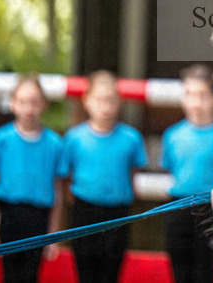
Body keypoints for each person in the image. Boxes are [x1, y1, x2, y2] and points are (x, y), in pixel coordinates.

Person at [61, 70, 147, 283]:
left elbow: (133, 172)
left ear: (119, 102)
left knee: (111, 272)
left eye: (110, 100)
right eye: (99, 100)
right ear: (86, 101)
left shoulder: (131, 138)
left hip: (118, 212)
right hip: (84, 210)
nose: (105, 106)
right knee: (85, 271)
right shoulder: (74, 138)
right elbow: (65, 176)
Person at [0, 75, 67, 283]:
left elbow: (58, 192)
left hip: (39, 218)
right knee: (9, 275)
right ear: (12, 104)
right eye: (22, 101)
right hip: (8, 216)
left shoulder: (55, 143)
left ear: (44, 105)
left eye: (35, 102)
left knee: (31, 275)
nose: (28, 108)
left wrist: (53, 235)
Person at [161, 65, 213, 283]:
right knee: (180, 275)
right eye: (190, 94)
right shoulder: (172, 135)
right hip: (178, 208)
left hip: (211, 210)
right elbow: (170, 168)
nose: (196, 102)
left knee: (205, 275)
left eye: (202, 95)